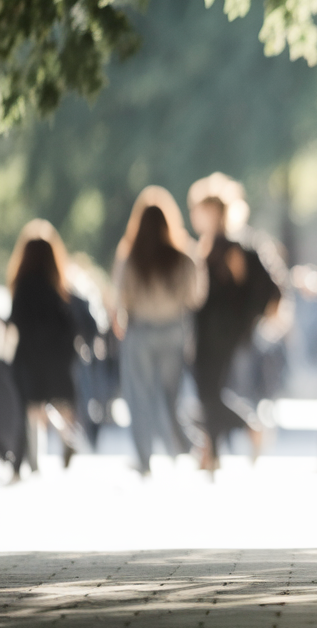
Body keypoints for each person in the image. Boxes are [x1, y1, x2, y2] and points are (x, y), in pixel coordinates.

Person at [189, 173, 280, 471]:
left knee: (209, 392)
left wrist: (246, 324)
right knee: (208, 391)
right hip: (207, 331)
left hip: (221, 332)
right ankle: (211, 453)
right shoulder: (209, 245)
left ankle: (249, 428)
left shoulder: (233, 248)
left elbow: (260, 292)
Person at [114, 188, 205, 475]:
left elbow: (119, 299)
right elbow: (196, 297)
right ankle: (187, 448)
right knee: (170, 398)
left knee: (138, 396)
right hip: (173, 331)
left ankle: (144, 460)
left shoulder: (129, 257)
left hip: (140, 331)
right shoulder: (183, 257)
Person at [6, 220, 84, 469]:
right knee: (52, 402)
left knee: (30, 406)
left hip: (29, 354)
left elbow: (16, 319)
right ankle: (65, 437)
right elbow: (70, 322)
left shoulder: (23, 285)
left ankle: (33, 460)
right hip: (57, 355)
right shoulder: (58, 286)